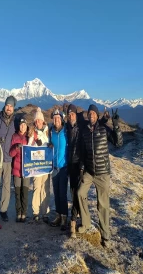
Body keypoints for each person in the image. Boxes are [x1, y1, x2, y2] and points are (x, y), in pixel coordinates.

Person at [77, 105, 123, 248]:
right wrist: (82, 165)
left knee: (103, 204)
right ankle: (86, 223)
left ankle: (105, 235)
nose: (91, 115)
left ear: (97, 116)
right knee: (80, 193)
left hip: (103, 173)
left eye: (93, 113)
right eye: (89, 113)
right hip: (89, 172)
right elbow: (83, 151)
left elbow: (118, 143)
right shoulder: (85, 131)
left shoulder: (104, 129)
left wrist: (116, 127)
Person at [0, 95, 17, 222]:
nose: (9, 108)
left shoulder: (15, 121)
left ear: (14, 108)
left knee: (7, 185)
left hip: (9, 158)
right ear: (4, 106)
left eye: (11, 106)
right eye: (7, 105)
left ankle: (3, 210)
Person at [28, 107, 50, 223]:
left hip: (46, 165)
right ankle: (35, 212)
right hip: (37, 166)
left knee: (45, 189)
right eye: (36, 120)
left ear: (43, 121)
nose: (38, 122)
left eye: (39, 120)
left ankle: (45, 212)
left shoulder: (48, 132)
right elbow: (28, 149)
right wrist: (34, 145)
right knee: (37, 188)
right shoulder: (33, 134)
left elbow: (52, 145)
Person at [49, 108, 68, 231]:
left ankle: (64, 216)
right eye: (55, 118)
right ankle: (58, 215)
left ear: (62, 119)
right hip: (54, 167)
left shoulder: (66, 131)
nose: (56, 120)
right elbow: (48, 143)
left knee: (62, 193)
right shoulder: (51, 132)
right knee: (56, 193)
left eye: (58, 118)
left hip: (64, 167)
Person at [65, 104, 83, 238]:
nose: (71, 116)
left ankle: (73, 221)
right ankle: (79, 217)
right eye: (69, 114)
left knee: (78, 193)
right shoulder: (66, 128)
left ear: (76, 115)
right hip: (70, 165)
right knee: (73, 193)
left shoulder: (81, 127)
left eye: (72, 114)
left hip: (79, 165)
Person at [9, 117, 30, 222]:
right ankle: (18, 213)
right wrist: (16, 147)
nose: (23, 127)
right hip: (17, 170)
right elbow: (11, 154)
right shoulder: (14, 137)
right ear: (19, 126)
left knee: (25, 193)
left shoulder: (29, 138)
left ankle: (24, 213)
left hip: (27, 170)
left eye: (25, 125)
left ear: (27, 127)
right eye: (21, 125)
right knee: (17, 193)